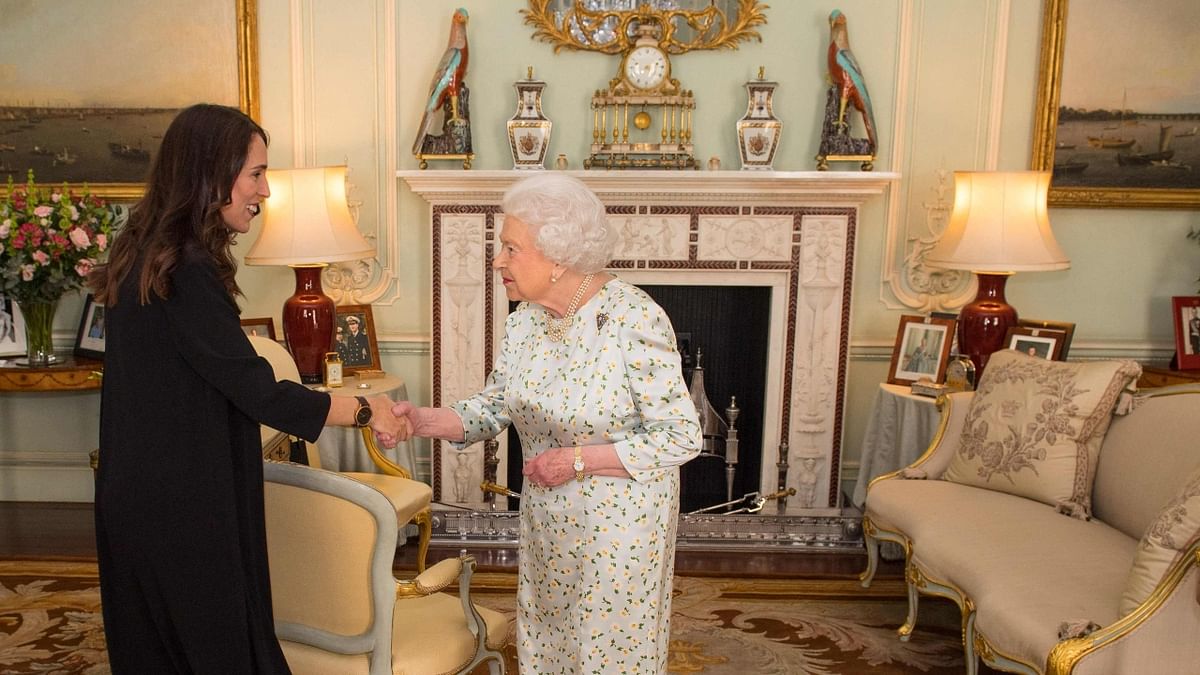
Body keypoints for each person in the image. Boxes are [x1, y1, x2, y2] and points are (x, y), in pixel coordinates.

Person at [87, 103, 406, 674]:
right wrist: (365, 408)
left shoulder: (141, 252)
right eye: (256, 174)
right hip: (182, 506)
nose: (263, 191)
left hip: (141, 493)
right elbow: (259, 392)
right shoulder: (186, 269)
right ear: (212, 173)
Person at [386, 172, 701, 673]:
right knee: (548, 639)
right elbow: (492, 407)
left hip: (620, 528)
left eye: (511, 249)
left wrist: (576, 461)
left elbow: (681, 436)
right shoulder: (524, 321)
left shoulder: (633, 318)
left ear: (559, 257)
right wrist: (419, 420)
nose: (498, 261)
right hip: (549, 518)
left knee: (606, 653)